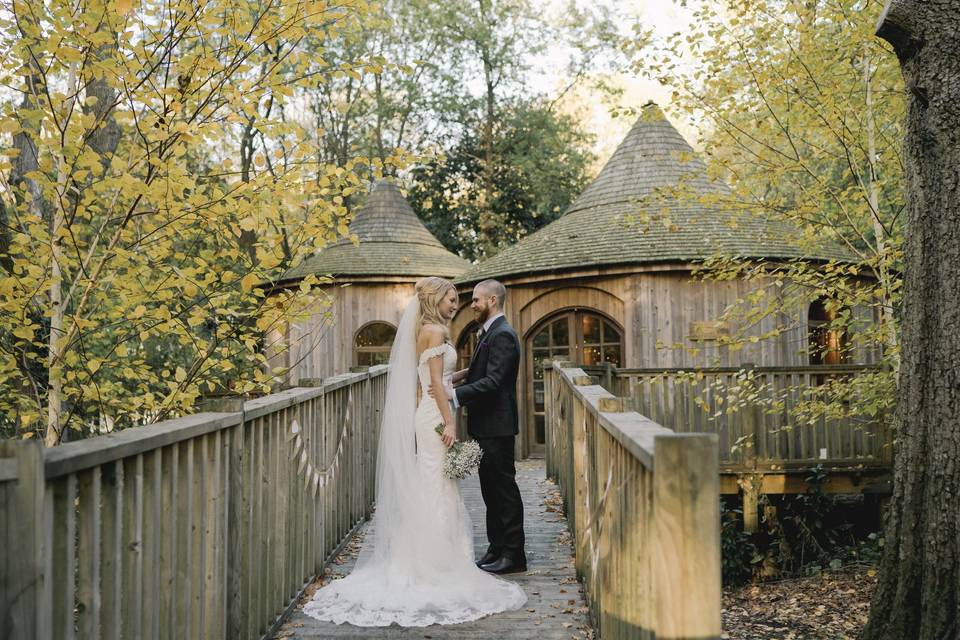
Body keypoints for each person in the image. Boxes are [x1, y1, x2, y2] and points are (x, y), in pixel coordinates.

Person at [302, 277, 526, 627]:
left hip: (436, 412)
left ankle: (450, 553)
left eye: (463, 300)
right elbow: (436, 383)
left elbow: (438, 378)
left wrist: (458, 382)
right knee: (436, 482)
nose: (458, 305)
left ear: (493, 300)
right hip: (437, 415)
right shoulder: (435, 331)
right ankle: (437, 559)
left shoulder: (431, 329)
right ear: (436, 300)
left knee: (435, 480)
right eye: (452, 300)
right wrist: (450, 421)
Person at [436, 279, 526, 574]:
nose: (471, 305)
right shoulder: (488, 332)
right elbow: (479, 371)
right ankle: (496, 548)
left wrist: (454, 394)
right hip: (486, 425)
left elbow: (493, 381)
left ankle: (513, 555)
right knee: (490, 491)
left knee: (504, 491)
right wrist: (454, 379)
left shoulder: (503, 335)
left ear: (492, 301)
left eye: (476, 300)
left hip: (498, 425)